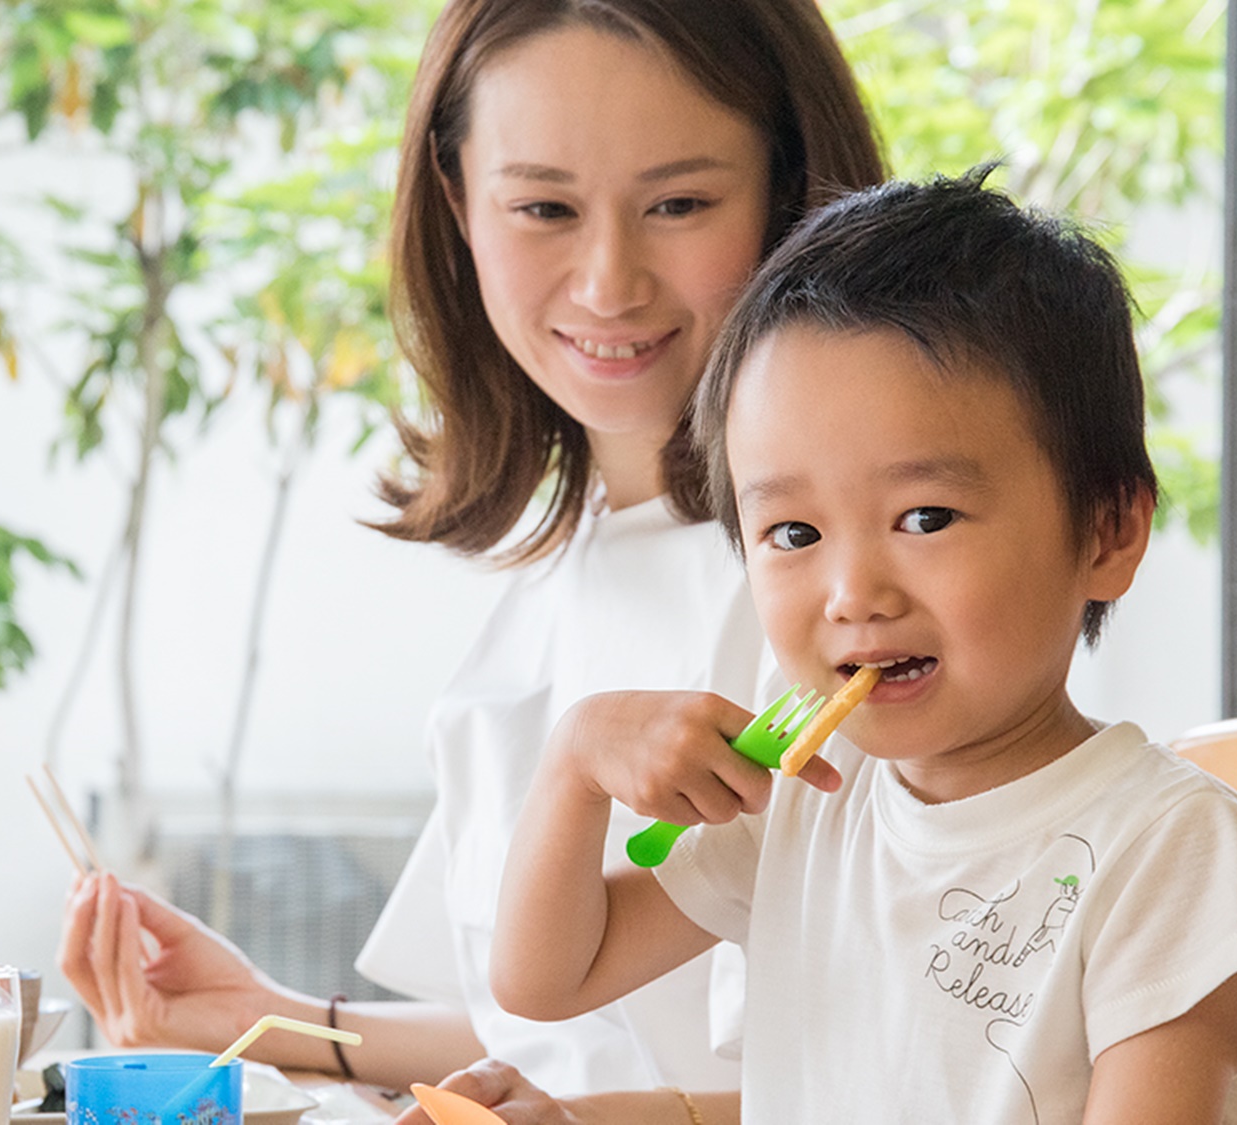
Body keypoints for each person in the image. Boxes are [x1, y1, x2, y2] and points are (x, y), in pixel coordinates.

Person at [58, 0, 884, 1098]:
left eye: (678, 203)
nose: (606, 282)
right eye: (543, 206)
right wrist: (268, 1021)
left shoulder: (850, 593)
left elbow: (906, 1076)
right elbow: (551, 1037)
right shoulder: (565, 564)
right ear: (456, 201)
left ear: (792, 192)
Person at [483, 170, 1237, 1124]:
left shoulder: (1167, 844)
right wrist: (576, 762)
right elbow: (546, 977)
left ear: (1106, 534)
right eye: (792, 533)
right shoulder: (805, 792)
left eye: (925, 515)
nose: (853, 593)